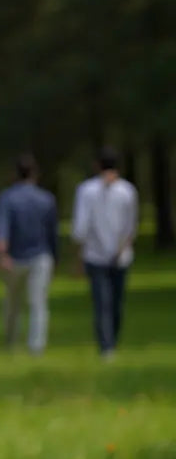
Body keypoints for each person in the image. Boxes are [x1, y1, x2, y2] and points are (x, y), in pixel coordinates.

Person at [72, 147, 139, 360]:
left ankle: (107, 345)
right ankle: (110, 343)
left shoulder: (86, 190)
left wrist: (77, 254)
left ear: (97, 165)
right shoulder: (127, 191)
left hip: (96, 254)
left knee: (104, 302)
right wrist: (123, 246)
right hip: (119, 255)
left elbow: (80, 227)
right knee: (114, 301)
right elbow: (131, 225)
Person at [0, 154, 58, 355]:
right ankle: (36, 346)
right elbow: (52, 232)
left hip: (14, 258)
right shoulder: (47, 199)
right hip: (41, 256)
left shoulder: (6, 198)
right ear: (35, 174)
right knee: (38, 302)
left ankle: (11, 339)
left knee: (13, 302)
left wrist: (2, 254)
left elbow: (2, 229)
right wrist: (56, 256)